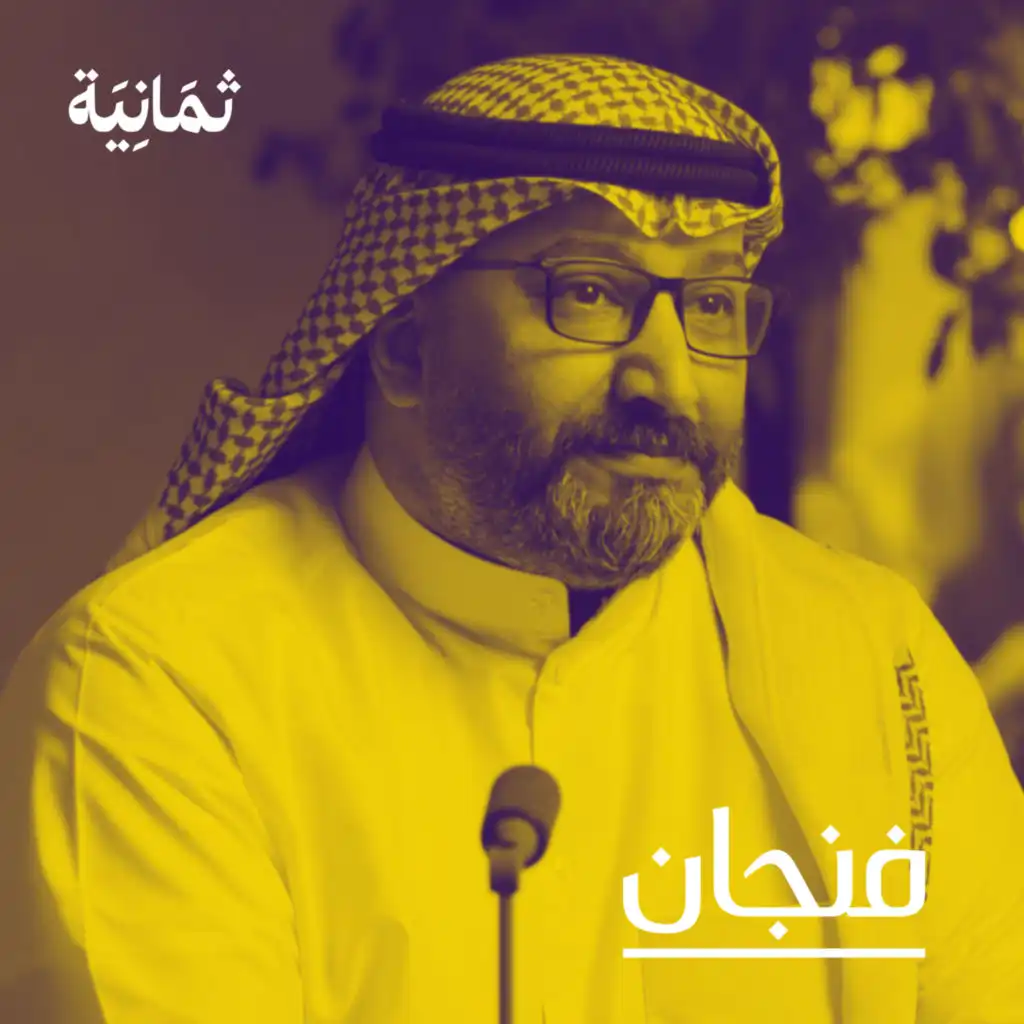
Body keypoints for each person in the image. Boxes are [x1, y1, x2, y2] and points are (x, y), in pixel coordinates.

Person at [0, 53, 1021, 1024]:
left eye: (711, 306)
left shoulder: (866, 651)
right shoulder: (159, 680)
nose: (668, 378)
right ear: (405, 349)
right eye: (590, 293)